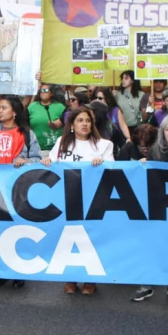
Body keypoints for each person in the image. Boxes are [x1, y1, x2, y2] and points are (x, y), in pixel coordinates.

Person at [44, 108, 114, 295]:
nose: (85, 124)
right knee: (68, 238)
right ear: (72, 125)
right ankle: (71, 277)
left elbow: (113, 171)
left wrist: (103, 163)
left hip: (93, 199)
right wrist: (47, 162)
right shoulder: (62, 142)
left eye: (88, 121)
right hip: (68, 198)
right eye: (80, 120)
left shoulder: (104, 145)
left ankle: (90, 279)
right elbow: (51, 164)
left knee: (90, 238)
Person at [0, 96, 42, 289]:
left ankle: (18, 271)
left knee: (18, 230)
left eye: (4, 108)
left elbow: (37, 159)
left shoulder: (27, 134)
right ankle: (2, 270)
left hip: (17, 190)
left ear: (14, 112)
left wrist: (26, 162)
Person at [130, 114, 168, 304]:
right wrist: (143, 165)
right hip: (157, 205)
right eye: (167, 129)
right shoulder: (155, 151)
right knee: (152, 244)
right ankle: (147, 285)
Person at [27, 84, 65, 154]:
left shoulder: (60, 107)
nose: (43, 92)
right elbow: (25, 123)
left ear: (52, 93)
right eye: (41, 91)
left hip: (56, 149)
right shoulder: (32, 106)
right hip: (36, 148)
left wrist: (57, 124)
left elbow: (66, 123)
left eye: (46, 90)